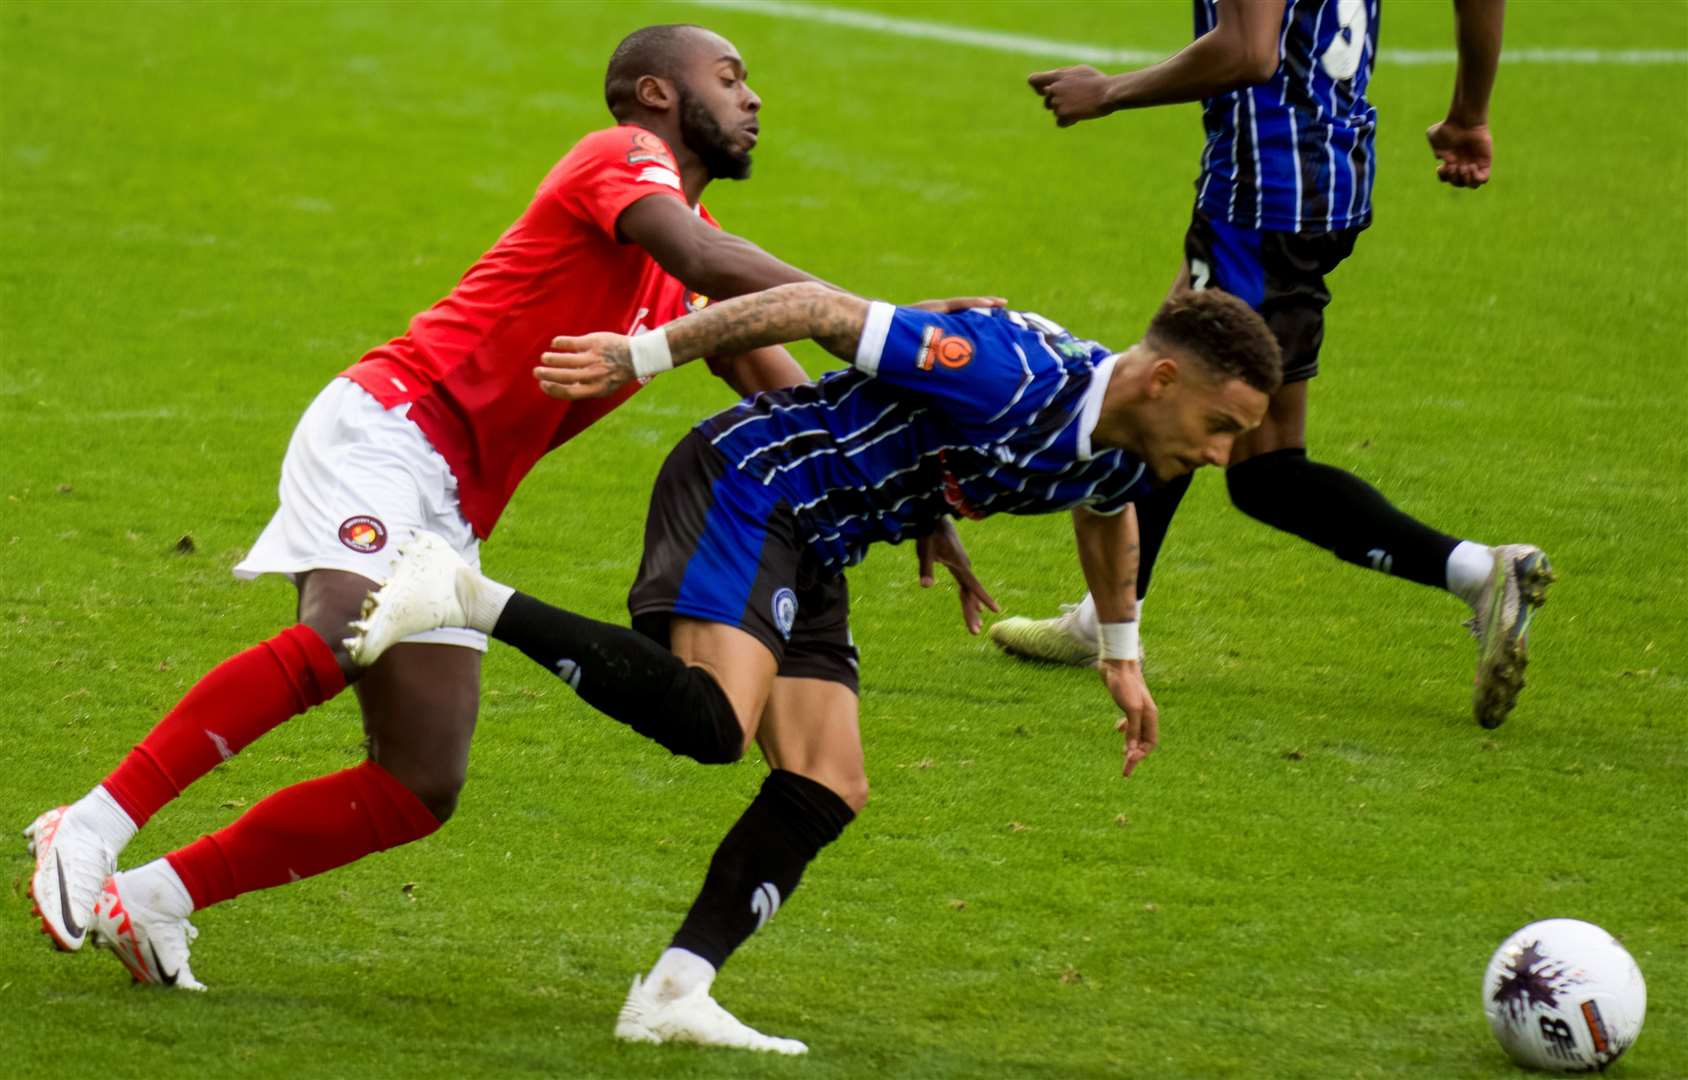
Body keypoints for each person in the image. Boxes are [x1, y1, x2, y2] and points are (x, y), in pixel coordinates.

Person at [25, 23, 980, 991]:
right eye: (728, 77)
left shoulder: (684, 258)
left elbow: (777, 389)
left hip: (452, 497)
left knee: (418, 778)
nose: (753, 98)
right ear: (654, 93)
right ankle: (94, 822)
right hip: (393, 428)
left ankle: (151, 900)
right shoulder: (625, 162)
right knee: (344, 625)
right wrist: (889, 327)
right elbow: (721, 266)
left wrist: (899, 490)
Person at [345, 280, 1283, 1053]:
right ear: (1162, 378)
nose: (1220, 452)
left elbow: (1103, 507)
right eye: (1221, 424)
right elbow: (806, 305)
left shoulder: (1127, 452)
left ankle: (674, 992)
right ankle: (466, 597)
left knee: (827, 781)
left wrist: (1119, 652)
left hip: (825, 536)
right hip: (755, 483)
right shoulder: (1010, 373)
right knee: (716, 722)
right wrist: (640, 356)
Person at [994, 0, 1551, 729]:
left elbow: (1248, 52)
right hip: (1329, 182)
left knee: (1158, 398)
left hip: (1264, 194)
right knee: (1264, 470)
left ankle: (1482, 571)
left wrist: (1109, 92)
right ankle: (1477, 573)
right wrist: (1468, 112)